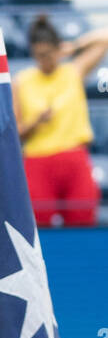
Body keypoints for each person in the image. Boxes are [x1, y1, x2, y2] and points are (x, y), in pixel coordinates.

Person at [14, 17, 108, 229]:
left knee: (83, 224)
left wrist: (73, 46)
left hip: (74, 159)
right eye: (39, 56)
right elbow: (15, 131)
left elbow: (105, 37)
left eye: (48, 54)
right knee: (39, 229)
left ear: (57, 50)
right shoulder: (22, 81)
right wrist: (36, 122)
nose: (44, 60)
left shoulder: (73, 71)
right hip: (38, 161)